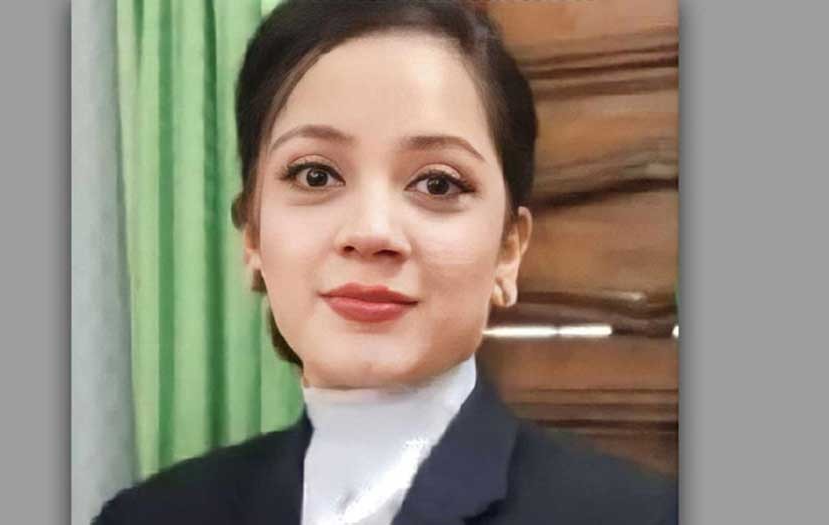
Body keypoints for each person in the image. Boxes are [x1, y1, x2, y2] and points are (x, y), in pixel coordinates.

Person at [95, 1, 678, 523]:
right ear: (253, 234)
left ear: (508, 251)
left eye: (438, 184)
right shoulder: (146, 517)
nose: (371, 233)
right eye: (315, 175)